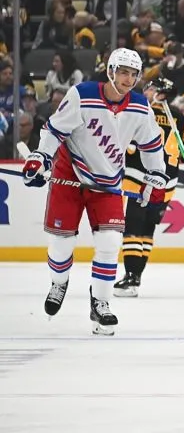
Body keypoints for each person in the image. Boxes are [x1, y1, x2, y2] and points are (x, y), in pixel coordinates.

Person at [22, 48, 167, 335]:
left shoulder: (140, 106)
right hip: (69, 174)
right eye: (123, 72)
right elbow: (54, 131)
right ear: (111, 71)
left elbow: (151, 144)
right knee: (62, 245)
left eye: (133, 74)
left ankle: (100, 303)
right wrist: (41, 157)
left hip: (108, 180)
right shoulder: (82, 94)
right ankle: (59, 282)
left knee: (111, 242)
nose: (128, 79)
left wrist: (156, 175)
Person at [115, 77, 184, 297]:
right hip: (167, 181)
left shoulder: (138, 110)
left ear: (159, 93)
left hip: (139, 176)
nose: (145, 91)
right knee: (147, 228)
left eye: (150, 88)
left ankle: (131, 276)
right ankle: (135, 276)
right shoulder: (178, 117)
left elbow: (125, 144)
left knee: (133, 223)